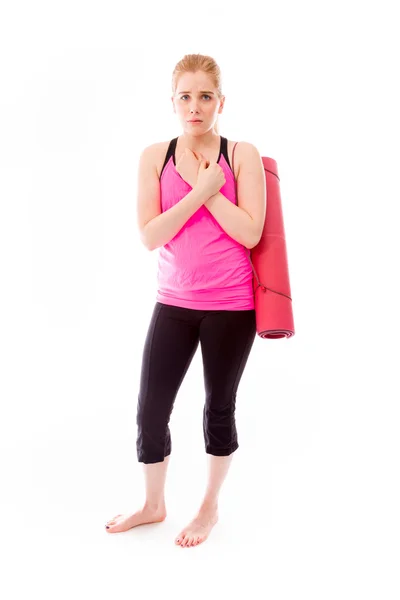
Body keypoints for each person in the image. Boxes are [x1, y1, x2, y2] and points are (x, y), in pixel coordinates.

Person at [105, 53, 266, 547]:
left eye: (205, 96)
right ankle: (154, 504)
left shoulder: (242, 154)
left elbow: (251, 231)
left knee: (218, 408)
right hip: (173, 301)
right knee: (151, 410)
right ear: (172, 101)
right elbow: (151, 235)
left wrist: (213, 191)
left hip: (231, 305)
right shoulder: (155, 155)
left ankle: (208, 508)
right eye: (185, 96)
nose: (194, 106)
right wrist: (202, 191)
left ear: (221, 101)